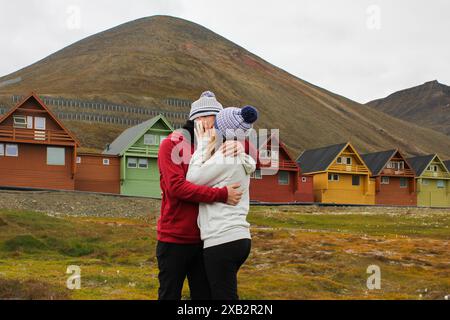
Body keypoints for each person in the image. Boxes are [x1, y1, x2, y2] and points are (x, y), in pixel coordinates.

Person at [156, 91, 244, 300]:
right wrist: (221, 194)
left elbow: (252, 161)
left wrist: (240, 146)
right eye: (214, 121)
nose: (218, 128)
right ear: (199, 119)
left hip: (207, 240)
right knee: (169, 295)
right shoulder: (172, 144)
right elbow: (176, 188)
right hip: (174, 237)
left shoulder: (219, 147)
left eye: (220, 123)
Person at [186, 105, 259, 300]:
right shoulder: (241, 157)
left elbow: (192, 179)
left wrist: (202, 144)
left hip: (221, 239)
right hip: (241, 237)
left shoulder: (224, 156)